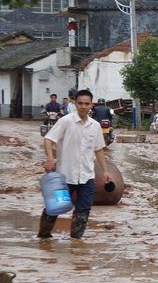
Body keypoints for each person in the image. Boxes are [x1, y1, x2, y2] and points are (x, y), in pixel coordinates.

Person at [39, 89, 109, 239]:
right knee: (54, 207)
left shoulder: (95, 126)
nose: (83, 107)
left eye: (87, 104)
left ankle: (76, 242)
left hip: (87, 176)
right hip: (64, 176)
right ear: (75, 104)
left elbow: (99, 150)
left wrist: (105, 171)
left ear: (92, 105)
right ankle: (44, 237)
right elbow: (48, 139)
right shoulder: (66, 121)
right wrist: (50, 158)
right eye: (80, 103)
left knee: (83, 210)